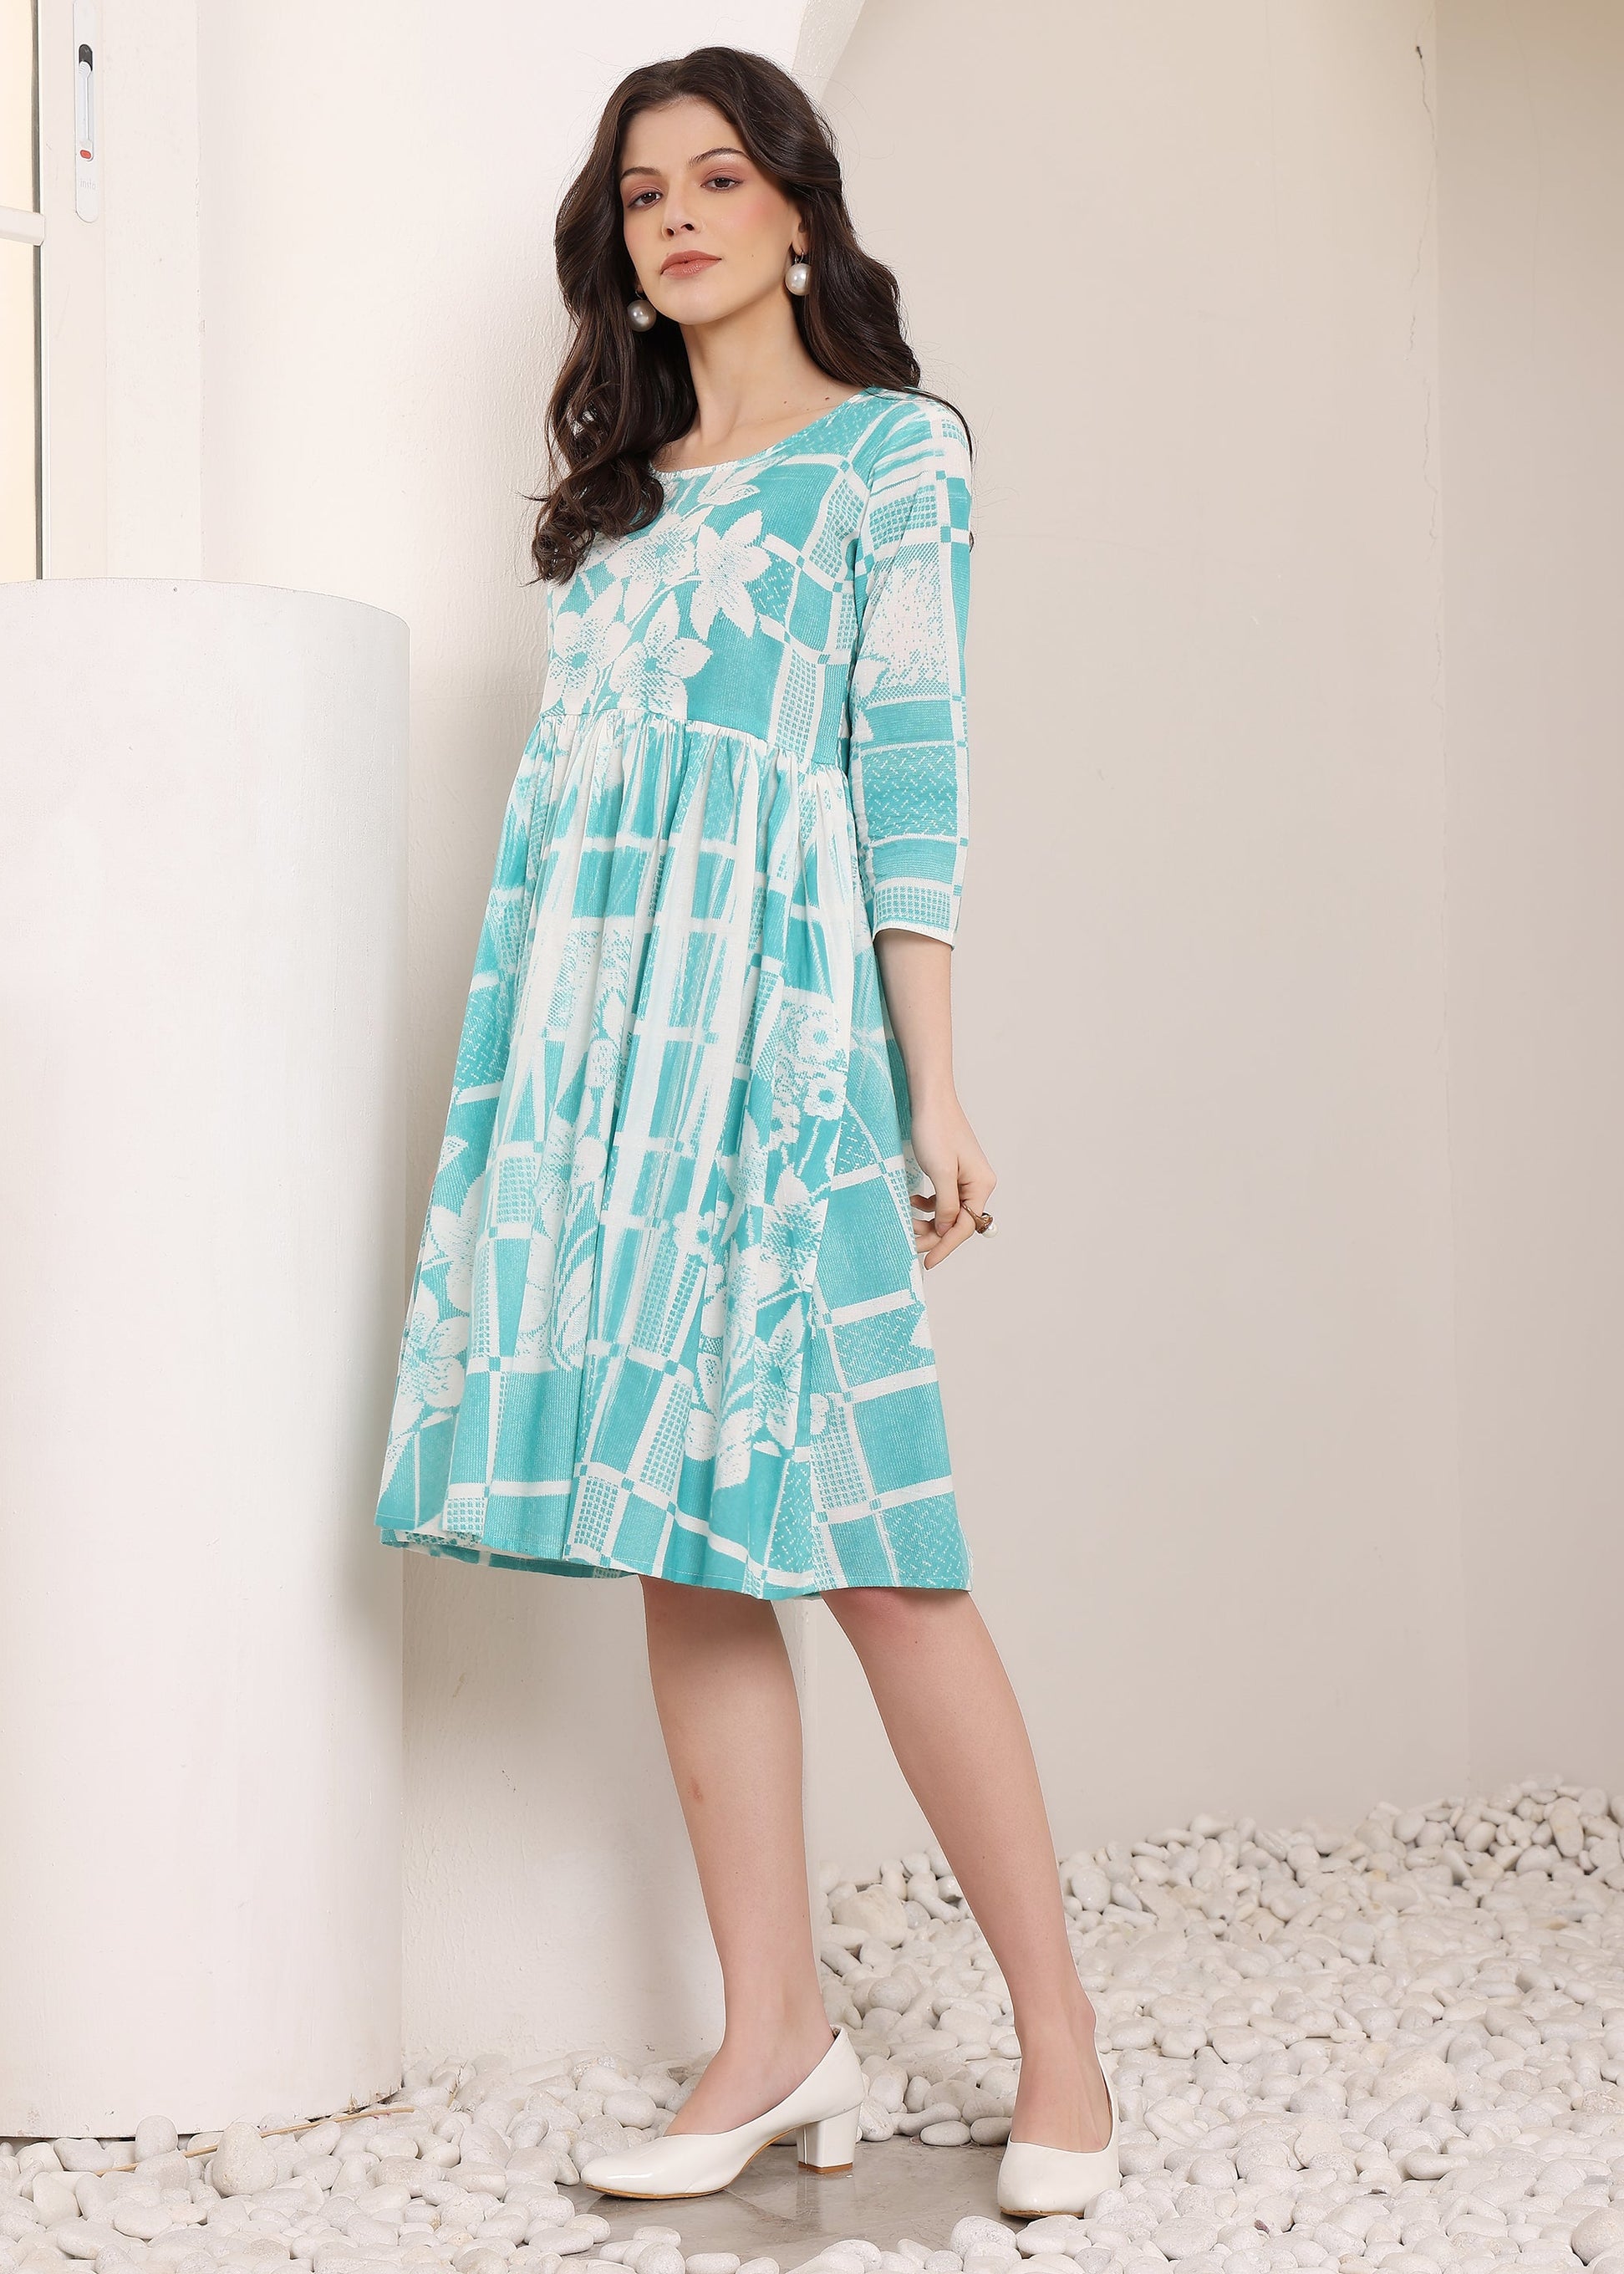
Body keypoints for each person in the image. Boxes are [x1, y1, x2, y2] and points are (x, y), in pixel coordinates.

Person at [374, 44, 1118, 2221]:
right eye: (644, 193)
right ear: (619, 247)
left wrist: (931, 1079)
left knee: (882, 1553)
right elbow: (577, 826)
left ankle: (1063, 2048)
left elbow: (909, 770)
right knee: (686, 1540)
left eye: (720, 177)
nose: (681, 215)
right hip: (603, 1055)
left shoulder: (895, 455)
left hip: (784, 1042)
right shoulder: (613, 506)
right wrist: (542, 1106)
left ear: (800, 211)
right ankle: (773, 2030)